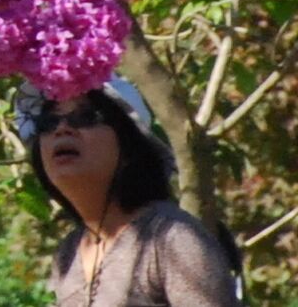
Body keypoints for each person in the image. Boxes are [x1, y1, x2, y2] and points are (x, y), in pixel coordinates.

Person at [15, 81, 235, 306]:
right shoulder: (68, 253)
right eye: (48, 122)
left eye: (86, 117)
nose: (61, 129)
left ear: (130, 146)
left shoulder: (173, 238)